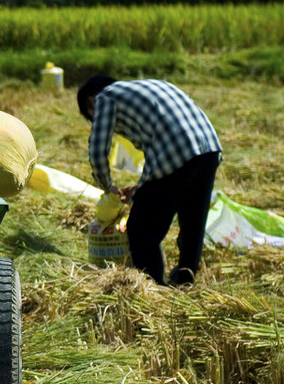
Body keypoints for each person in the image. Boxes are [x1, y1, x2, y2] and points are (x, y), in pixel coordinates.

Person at [77, 75, 222, 287]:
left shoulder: (104, 97)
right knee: (193, 220)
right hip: (209, 148)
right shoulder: (151, 86)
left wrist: (108, 186)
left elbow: (98, 151)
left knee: (141, 227)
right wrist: (140, 187)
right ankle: (185, 278)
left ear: (91, 102)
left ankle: (154, 289)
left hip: (178, 150)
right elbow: (164, 154)